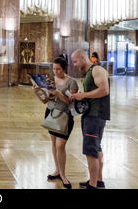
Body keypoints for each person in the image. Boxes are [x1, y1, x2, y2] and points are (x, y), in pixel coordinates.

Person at [71, 49, 110, 189]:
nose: (75, 64)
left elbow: (104, 90)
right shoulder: (89, 72)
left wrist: (84, 95)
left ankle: (93, 185)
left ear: (82, 57)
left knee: (90, 150)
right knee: (96, 148)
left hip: (95, 116)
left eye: (75, 61)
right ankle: (98, 181)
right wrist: (81, 95)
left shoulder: (97, 70)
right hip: (92, 115)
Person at [37, 57, 78, 189]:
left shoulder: (72, 82)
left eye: (58, 69)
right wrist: (38, 93)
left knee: (61, 144)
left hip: (64, 115)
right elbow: (45, 101)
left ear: (64, 68)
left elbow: (70, 103)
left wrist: (58, 93)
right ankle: (57, 170)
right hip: (50, 112)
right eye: (54, 69)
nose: (55, 71)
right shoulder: (50, 80)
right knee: (54, 142)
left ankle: (63, 174)